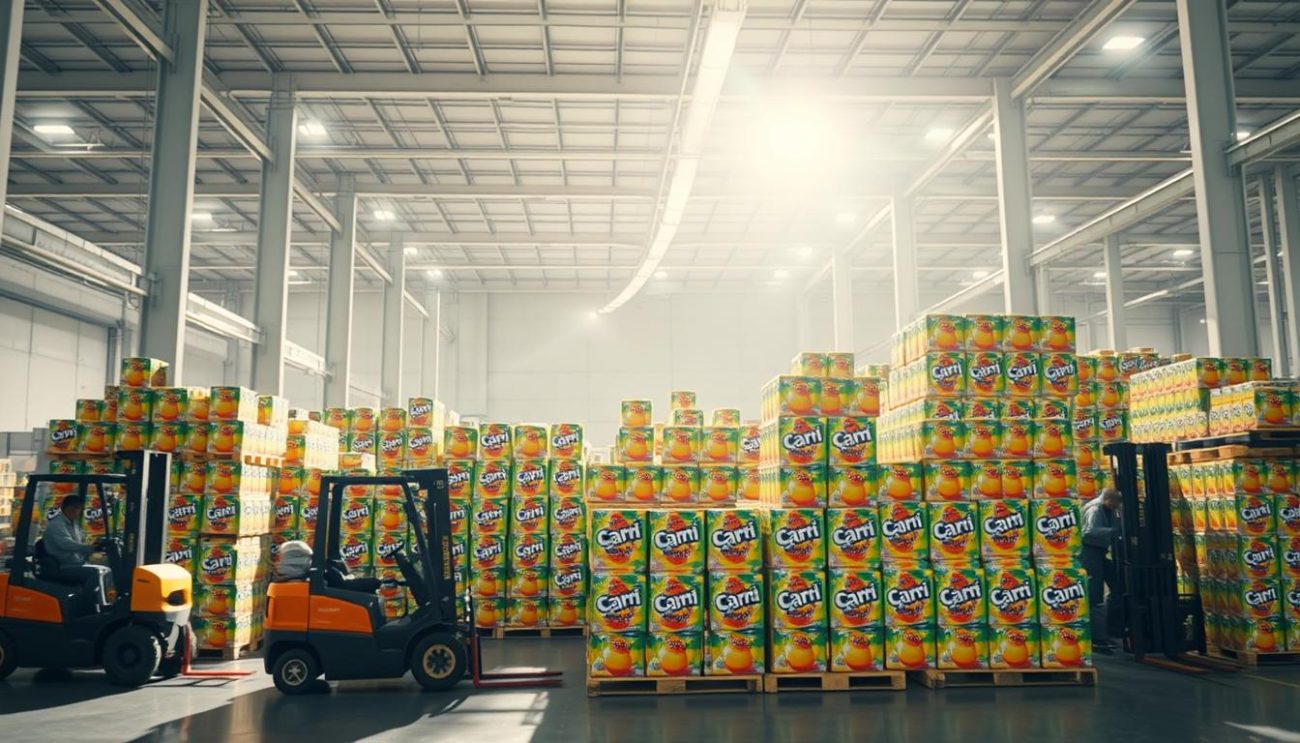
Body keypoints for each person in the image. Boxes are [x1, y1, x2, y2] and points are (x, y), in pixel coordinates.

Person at [42, 494, 112, 611]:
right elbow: (66, 544)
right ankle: (89, 607)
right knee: (96, 573)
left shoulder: (73, 524)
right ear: (70, 509)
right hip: (63, 565)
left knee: (106, 566)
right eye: (79, 509)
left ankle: (105, 601)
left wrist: (95, 544)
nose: (80, 512)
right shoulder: (57, 525)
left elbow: (81, 541)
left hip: (75, 562)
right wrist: (89, 548)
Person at [1081, 488, 1122, 653]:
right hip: (1089, 552)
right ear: (1109, 500)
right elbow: (1089, 531)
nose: (1117, 507)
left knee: (1117, 584)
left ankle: (1112, 628)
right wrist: (1114, 532)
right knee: (1095, 593)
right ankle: (1097, 637)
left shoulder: (1107, 510)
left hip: (1100, 552)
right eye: (1116, 504)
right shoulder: (1096, 509)